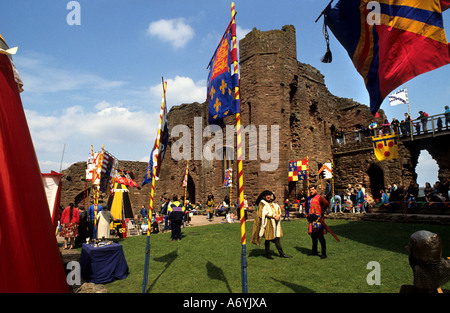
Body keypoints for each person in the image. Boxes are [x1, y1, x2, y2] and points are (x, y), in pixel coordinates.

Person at [250, 190, 291, 259]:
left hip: (275, 223)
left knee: (276, 238)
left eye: (269, 195)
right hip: (268, 223)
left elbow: (278, 209)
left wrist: (278, 215)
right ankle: (269, 254)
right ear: (264, 196)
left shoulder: (273, 204)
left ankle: (281, 253)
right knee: (268, 238)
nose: (269, 197)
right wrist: (274, 216)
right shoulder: (262, 203)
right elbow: (264, 212)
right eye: (267, 195)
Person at [306, 185, 330, 259]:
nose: (311, 191)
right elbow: (306, 206)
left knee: (320, 237)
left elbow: (326, 203)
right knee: (313, 237)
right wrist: (307, 214)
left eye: (312, 190)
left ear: (315, 190)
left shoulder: (319, 197)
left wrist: (321, 212)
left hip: (318, 220)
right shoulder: (308, 198)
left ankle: (324, 254)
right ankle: (314, 251)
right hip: (312, 220)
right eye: (310, 190)